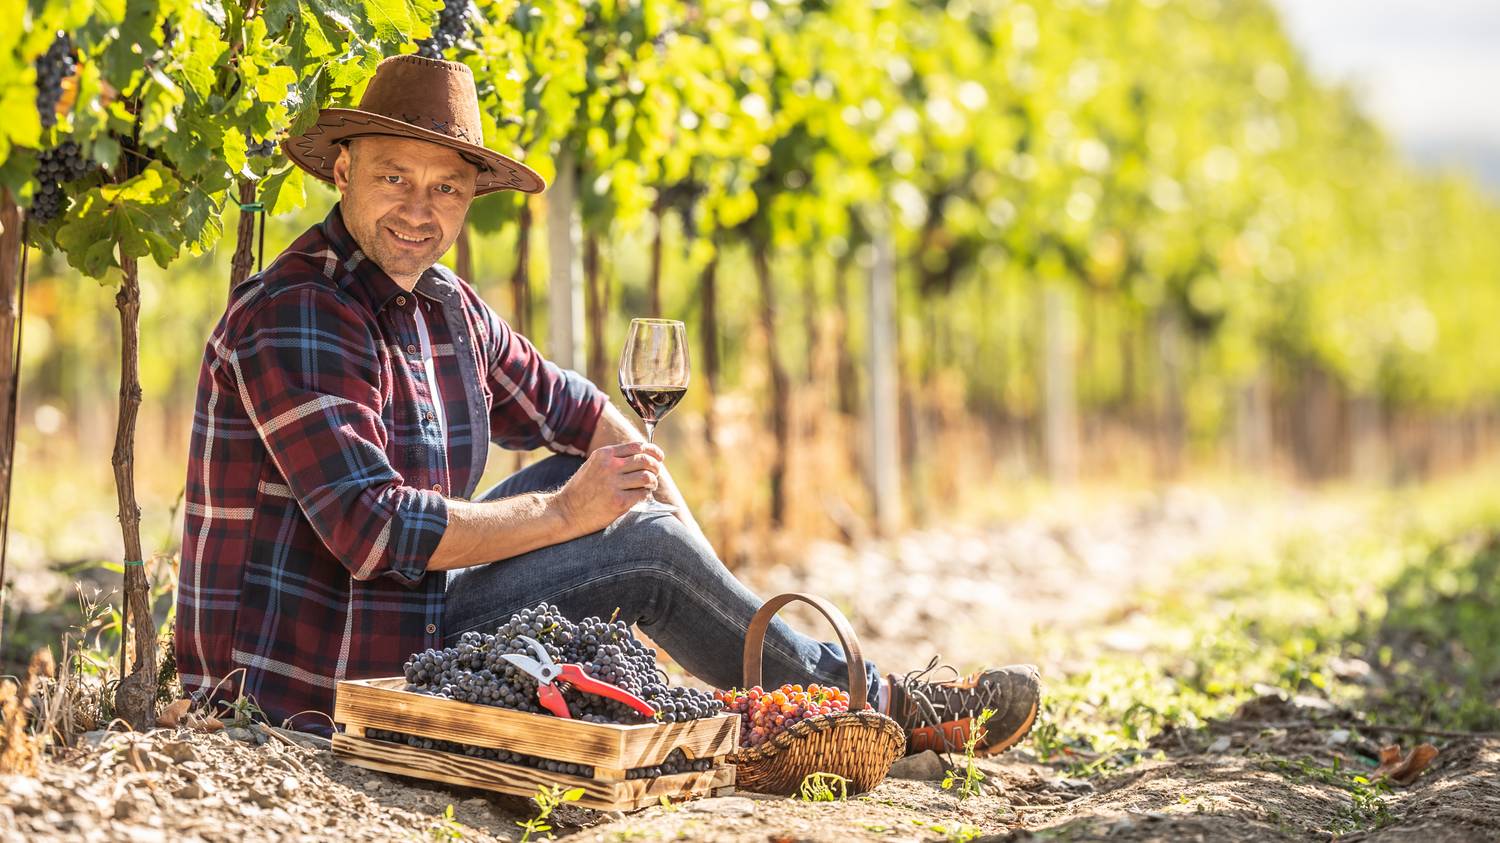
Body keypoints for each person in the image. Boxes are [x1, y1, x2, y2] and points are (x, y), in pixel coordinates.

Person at [175, 54, 1040, 755]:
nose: (418, 208)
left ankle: (793, 694)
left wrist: (671, 528)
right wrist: (575, 514)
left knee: (632, 500)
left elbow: (577, 410)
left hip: (414, 622)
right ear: (342, 167)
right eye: (395, 177)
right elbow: (373, 531)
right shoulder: (296, 311)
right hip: (314, 683)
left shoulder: (445, 306)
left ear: (471, 198)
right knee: (637, 544)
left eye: (445, 188)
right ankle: (878, 704)